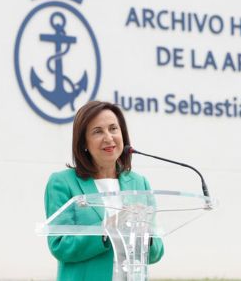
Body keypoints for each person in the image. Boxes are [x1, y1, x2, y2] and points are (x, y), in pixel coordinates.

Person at [44, 101, 164, 281]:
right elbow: (60, 246)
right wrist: (108, 228)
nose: (108, 137)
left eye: (113, 128)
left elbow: (156, 253)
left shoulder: (140, 183)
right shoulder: (62, 183)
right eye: (98, 131)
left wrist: (145, 233)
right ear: (84, 142)